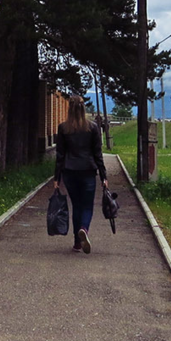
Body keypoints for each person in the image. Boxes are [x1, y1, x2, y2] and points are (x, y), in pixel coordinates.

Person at [54, 95, 108, 253]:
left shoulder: (63, 128)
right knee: (87, 205)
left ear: (69, 108)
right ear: (84, 108)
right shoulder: (92, 127)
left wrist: (56, 178)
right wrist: (104, 176)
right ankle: (84, 228)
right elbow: (98, 154)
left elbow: (60, 155)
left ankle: (77, 243)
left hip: (69, 172)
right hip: (88, 171)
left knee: (76, 205)